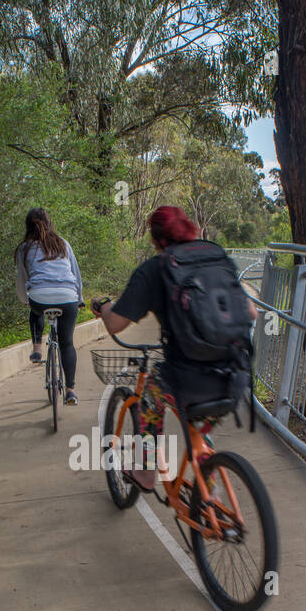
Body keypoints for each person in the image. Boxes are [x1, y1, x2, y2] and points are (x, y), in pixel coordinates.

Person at [92, 206, 258, 490]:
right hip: (233, 376)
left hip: (187, 382)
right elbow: (251, 312)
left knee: (150, 395)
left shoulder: (156, 269)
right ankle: (209, 490)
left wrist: (104, 307)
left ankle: (144, 472)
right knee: (200, 424)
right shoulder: (214, 259)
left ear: (155, 240)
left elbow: (115, 324)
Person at [15, 208, 84, 405]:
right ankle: (70, 391)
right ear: (49, 223)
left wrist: (25, 298)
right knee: (67, 343)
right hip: (68, 296)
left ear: (28, 226)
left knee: (33, 304)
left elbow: (22, 278)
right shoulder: (63, 243)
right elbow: (75, 274)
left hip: (39, 297)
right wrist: (79, 299)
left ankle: (37, 349)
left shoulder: (24, 248)